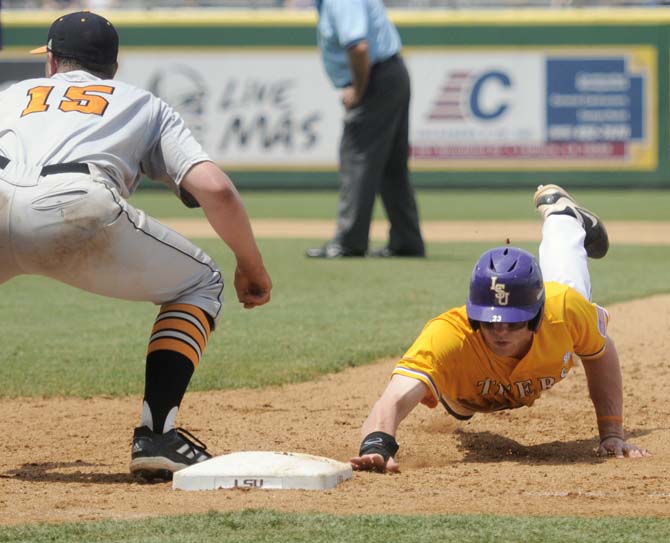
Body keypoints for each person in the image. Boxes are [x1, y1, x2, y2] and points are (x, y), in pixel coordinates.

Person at [0, 11, 272, 480]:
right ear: (113, 68)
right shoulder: (141, 103)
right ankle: (157, 435)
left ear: (50, 62)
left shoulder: (12, 94)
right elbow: (217, 189)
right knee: (200, 282)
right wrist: (251, 265)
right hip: (74, 206)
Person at [350, 184, 650, 472]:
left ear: (536, 316)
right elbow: (394, 398)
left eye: (514, 321)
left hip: (559, 312)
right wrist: (377, 445)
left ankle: (563, 218)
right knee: (461, 406)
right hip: (465, 390)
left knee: (568, 288)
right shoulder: (448, 336)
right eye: (491, 321)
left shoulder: (562, 312)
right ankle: (563, 219)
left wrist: (612, 432)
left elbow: (600, 351)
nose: (501, 331)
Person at [306, 0, 425, 259]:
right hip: (389, 74)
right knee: (391, 167)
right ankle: (407, 241)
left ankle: (350, 241)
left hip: (375, 79)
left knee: (356, 156)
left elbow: (358, 48)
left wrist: (359, 93)